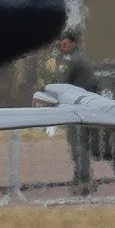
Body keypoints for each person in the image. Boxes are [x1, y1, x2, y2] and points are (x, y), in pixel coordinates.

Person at [43, 29, 94, 196]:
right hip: (82, 106)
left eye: (65, 43)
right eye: (61, 43)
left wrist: (49, 96)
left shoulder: (73, 59)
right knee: (79, 146)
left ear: (73, 43)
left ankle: (83, 180)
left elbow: (61, 83)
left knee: (79, 146)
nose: (62, 46)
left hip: (77, 108)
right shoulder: (78, 58)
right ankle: (83, 178)